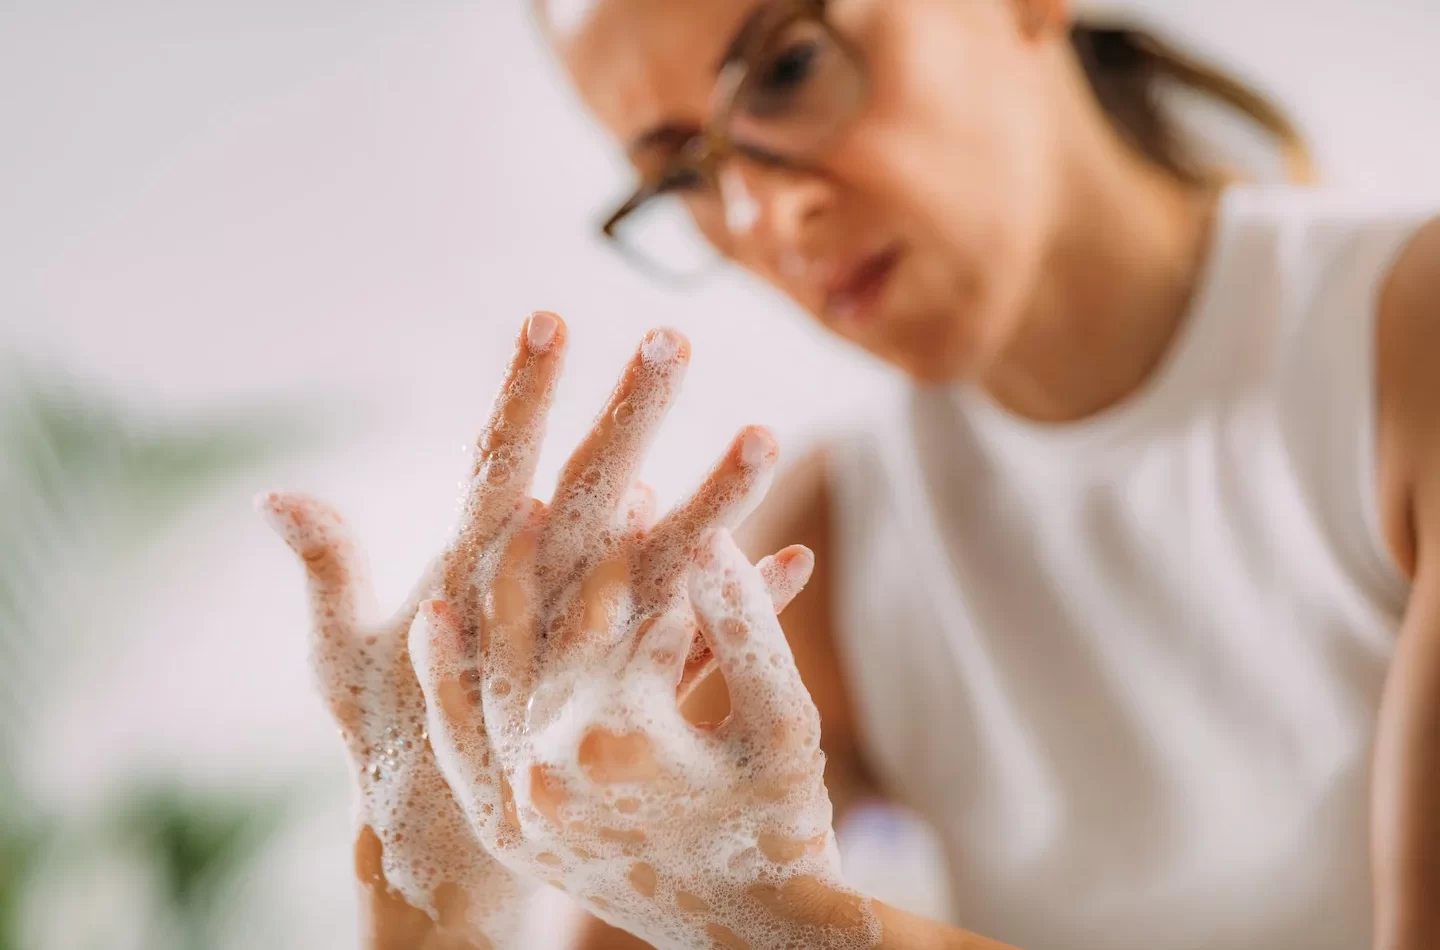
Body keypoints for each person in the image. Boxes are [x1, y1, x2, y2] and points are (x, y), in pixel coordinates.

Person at [262, 0, 1440, 947]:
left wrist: (801, 929)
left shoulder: (1403, 341)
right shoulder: (834, 540)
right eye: (681, 175)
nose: (764, 208)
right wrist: (433, 878)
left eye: (785, 67)